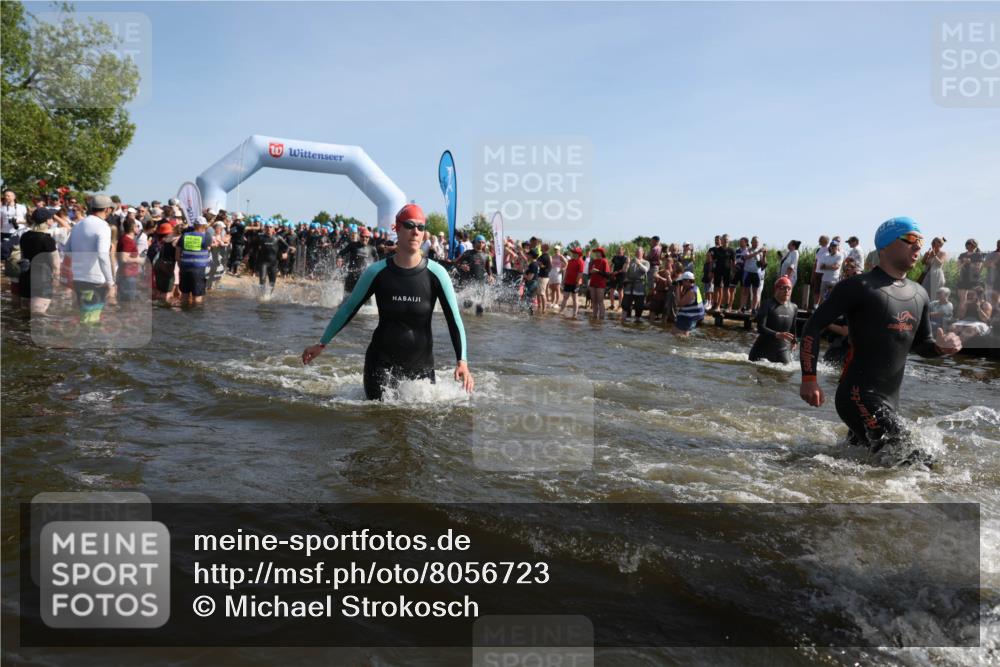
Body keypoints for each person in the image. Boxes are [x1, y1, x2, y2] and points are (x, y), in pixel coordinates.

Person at [799, 217, 962, 465]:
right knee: (919, 460)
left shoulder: (920, 295)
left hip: (889, 401)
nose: (919, 246)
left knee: (860, 465)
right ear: (885, 245)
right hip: (857, 395)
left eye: (921, 241)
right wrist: (809, 379)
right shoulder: (858, 286)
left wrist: (941, 348)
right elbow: (813, 326)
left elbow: (922, 345)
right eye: (911, 240)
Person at [301, 203, 473, 401]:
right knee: (379, 420)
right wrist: (322, 343)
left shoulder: (437, 274)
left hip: (421, 368)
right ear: (397, 228)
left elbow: (454, 320)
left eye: (421, 227)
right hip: (380, 365)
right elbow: (348, 309)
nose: (416, 232)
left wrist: (462, 361)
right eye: (409, 225)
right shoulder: (377, 272)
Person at [18, 207, 58, 314]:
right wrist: (57, 279)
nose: (53, 220)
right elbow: (56, 264)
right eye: (52, 218)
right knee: (38, 316)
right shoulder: (47, 239)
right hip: (42, 280)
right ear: (47, 221)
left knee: (24, 315)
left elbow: (23, 256)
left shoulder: (24, 236)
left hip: (25, 279)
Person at [749, 276, 798, 363]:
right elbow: (760, 327)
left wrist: (794, 341)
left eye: (789, 288)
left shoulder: (794, 307)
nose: (787, 291)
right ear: (776, 289)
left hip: (782, 348)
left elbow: (793, 328)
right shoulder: (767, 304)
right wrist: (777, 334)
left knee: (787, 373)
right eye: (783, 288)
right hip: (762, 349)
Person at [176, 216, 211, 306]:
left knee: (184, 294)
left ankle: (184, 311)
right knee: (197, 296)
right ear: (204, 226)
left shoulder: (185, 235)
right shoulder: (206, 237)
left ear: (194, 225)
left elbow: (178, 250)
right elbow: (209, 247)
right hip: (199, 269)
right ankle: (196, 316)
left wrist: (180, 263)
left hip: (185, 267)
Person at [255, 222, 291, 297]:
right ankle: (262, 296)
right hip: (263, 263)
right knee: (262, 280)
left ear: (273, 228)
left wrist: (286, 253)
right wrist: (248, 255)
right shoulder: (260, 238)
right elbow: (253, 247)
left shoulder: (278, 237)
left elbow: (287, 246)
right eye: (267, 227)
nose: (269, 228)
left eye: (270, 227)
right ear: (264, 228)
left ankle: (268, 296)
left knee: (272, 283)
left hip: (273, 263)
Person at [115, 218, 144, 302]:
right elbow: (124, 258)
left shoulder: (125, 239)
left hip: (126, 274)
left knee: (126, 300)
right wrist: (139, 260)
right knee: (128, 302)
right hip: (127, 275)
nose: (139, 228)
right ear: (133, 227)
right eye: (137, 226)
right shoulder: (127, 241)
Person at [620, 246, 649, 322]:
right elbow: (624, 270)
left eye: (639, 252)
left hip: (640, 287)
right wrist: (627, 263)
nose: (637, 254)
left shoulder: (646, 262)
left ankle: (637, 321)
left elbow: (646, 270)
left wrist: (639, 263)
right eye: (636, 252)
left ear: (643, 253)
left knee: (639, 307)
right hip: (629, 286)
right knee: (625, 305)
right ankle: (624, 321)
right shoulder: (631, 261)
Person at [956, 239, 984, 316]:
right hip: (963, 280)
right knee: (962, 301)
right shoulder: (962, 255)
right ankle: (959, 318)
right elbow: (958, 267)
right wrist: (964, 262)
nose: (969, 245)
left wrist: (970, 262)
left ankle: (977, 317)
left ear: (975, 245)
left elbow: (978, 268)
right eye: (967, 243)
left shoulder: (978, 255)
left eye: (970, 244)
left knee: (976, 300)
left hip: (974, 281)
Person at [673, 271, 705, 336]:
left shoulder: (692, 292)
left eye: (682, 281)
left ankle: (684, 345)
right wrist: (680, 288)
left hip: (690, 316)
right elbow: (682, 298)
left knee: (682, 335)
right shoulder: (691, 288)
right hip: (689, 314)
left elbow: (679, 303)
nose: (681, 283)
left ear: (687, 281)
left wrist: (677, 288)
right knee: (674, 332)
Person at [559, 247, 585, 318]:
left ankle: (575, 314)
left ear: (578, 254)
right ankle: (561, 311)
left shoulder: (581, 262)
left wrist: (577, 282)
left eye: (574, 253)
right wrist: (563, 280)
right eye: (573, 253)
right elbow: (567, 271)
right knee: (565, 297)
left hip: (575, 283)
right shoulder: (570, 261)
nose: (573, 254)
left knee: (575, 298)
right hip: (568, 282)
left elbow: (580, 273)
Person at [817, 238, 843, 303]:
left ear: (837, 247)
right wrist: (831, 266)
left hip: (834, 280)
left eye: (835, 246)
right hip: (824, 279)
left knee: (832, 299)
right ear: (830, 247)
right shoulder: (826, 255)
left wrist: (826, 266)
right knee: (821, 299)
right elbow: (821, 267)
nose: (833, 247)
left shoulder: (840, 255)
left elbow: (836, 267)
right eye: (832, 246)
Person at [588, 247, 610, 320]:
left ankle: (601, 318)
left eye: (598, 252)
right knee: (593, 301)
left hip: (600, 284)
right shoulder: (593, 261)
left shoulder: (604, 261)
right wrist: (591, 272)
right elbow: (589, 272)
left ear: (601, 253)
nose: (596, 253)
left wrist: (598, 271)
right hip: (592, 282)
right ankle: (594, 317)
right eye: (596, 252)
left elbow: (607, 274)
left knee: (600, 301)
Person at [810, 235, 830, 311]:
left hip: (825, 273)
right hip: (817, 272)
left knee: (824, 290)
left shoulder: (829, 249)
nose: (819, 241)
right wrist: (813, 273)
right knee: (816, 289)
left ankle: (823, 307)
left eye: (820, 240)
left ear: (825, 241)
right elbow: (816, 262)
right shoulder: (818, 250)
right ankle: (815, 306)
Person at [609, 246, 627, 312]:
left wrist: (617, 272)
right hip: (614, 274)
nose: (619, 251)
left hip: (621, 275)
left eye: (620, 250)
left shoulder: (625, 258)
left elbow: (625, 268)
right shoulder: (615, 257)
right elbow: (610, 265)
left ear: (623, 251)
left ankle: (620, 306)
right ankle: (612, 305)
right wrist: (611, 272)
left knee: (620, 291)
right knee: (611, 290)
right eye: (618, 249)